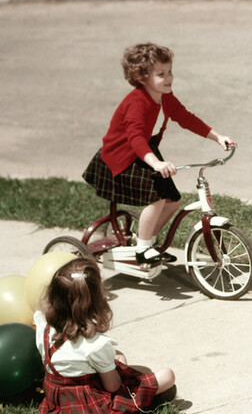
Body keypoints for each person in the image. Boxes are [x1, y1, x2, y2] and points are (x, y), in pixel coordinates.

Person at [83, 42, 233, 265]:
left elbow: (186, 118)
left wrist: (217, 137)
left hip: (145, 153)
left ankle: (149, 241)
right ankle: (142, 249)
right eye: (161, 74)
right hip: (121, 158)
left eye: (170, 71)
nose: (169, 78)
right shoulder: (137, 103)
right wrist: (156, 163)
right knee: (157, 198)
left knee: (173, 200)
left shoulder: (165, 97)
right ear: (142, 78)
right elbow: (135, 138)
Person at [34, 257, 177, 414]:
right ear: (95, 301)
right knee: (168, 375)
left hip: (57, 396)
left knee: (119, 356)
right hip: (90, 403)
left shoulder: (43, 324)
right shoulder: (94, 344)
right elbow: (113, 386)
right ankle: (141, 401)